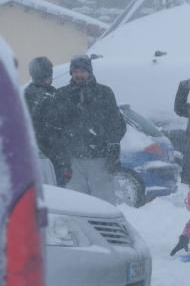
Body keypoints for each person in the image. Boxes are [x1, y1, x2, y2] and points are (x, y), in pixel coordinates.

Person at [52, 54, 126, 204]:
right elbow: (55, 127)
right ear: (71, 73)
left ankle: (105, 228)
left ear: (90, 72)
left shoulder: (104, 93)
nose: (79, 75)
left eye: (82, 71)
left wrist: (113, 146)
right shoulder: (61, 95)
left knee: (104, 204)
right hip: (72, 160)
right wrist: (60, 155)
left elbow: (116, 123)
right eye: (75, 71)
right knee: (77, 204)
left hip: (99, 158)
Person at [24, 56, 69, 186]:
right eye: (45, 76)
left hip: (54, 157)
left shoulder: (51, 94)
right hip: (44, 157)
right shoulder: (35, 97)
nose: (48, 79)